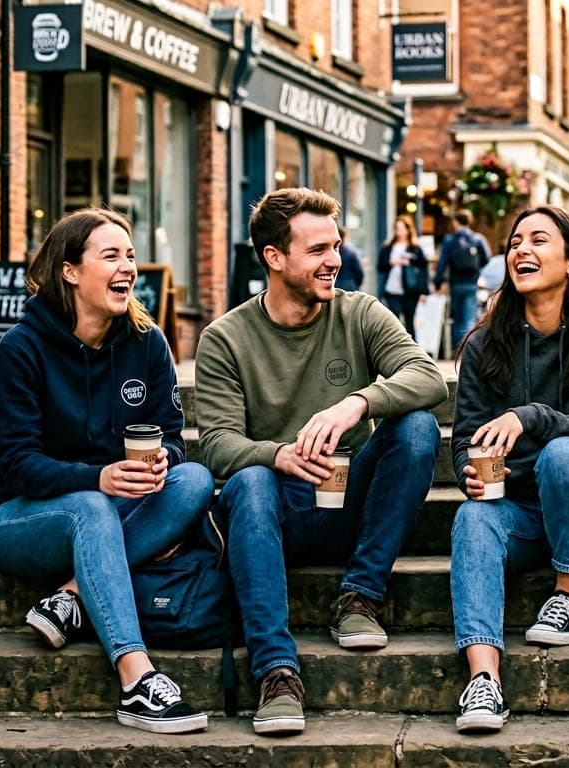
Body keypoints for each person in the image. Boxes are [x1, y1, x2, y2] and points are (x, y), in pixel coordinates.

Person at [194, 188, 448, 736]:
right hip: (275, 513)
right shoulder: (225, 338)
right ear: (274, 257)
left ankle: (361, 594)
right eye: (317, 250)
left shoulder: (359, 313)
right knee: (250, 481)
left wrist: (359, 401)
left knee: (418, 427)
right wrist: (278, 455)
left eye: (336, 246)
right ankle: (277, 672)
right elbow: (215, 443)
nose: (334, 259)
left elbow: (428, 378)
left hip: (351, 499)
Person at [0, 207, 213, 735]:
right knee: (90, 506)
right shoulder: (21, 349)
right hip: (21, 518)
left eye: (130, 256)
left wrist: (159, 465)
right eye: (111, 256)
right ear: (70, 271)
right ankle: (136, 678)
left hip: (115, 506)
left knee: (195, 480)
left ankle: (73, 596)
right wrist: (98, 478)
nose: (127, 267)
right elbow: (17, 465)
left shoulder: (148, 341)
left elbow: (172, 437)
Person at [450, 205, 569, 734]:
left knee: (564, 454)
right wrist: (471, 468)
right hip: (519, 513)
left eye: (539, 240)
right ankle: (483, 681)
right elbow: (467, 436)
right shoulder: (486, 344)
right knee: (470, 518)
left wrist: (526, 418)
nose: (522, 250)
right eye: (514, 242)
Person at [435, 209, 492, 350]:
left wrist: (438, 281)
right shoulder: (477, 239)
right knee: (468, 317)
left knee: (457, 318)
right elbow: (487, 258)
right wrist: (476, 269)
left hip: (455, 283)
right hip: (471, 282)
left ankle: (457, 348)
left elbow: (442, 263)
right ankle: (467, 349)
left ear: (456, 222)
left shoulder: (450, 240)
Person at [376, 215, 430, 334]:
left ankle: (411, 350)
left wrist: (424, 292)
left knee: (410, 320)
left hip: (410, 290)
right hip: (392, 289)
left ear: (408, 230)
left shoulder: (415, 248)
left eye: (401, 229)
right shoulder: (388, 247)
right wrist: (392, 262)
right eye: (396, 228)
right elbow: (380, 266)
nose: (398, 232)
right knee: (393, 321)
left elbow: (423, 270)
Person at [335, 226, 365, 292]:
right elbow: (359, 274)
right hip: (349, 286)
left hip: (335, 285)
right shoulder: (351, 253)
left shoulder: (332, 253)